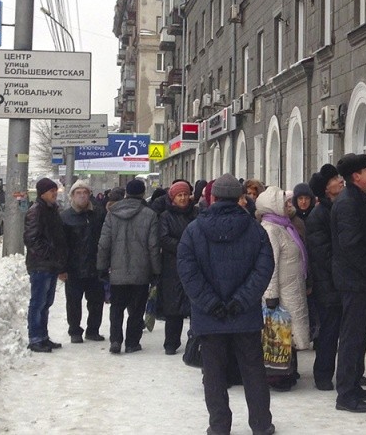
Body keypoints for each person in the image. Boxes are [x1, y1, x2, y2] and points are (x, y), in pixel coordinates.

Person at [179, 174, 276, 435]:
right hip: (244, 316)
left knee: (214, 375)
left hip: (209, 319)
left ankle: (219, 426)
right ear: (240, 198)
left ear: (213, 198)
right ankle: (261, 424)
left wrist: (211, 304)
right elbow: (264, 267)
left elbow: (188, 272)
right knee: (253, 371)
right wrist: (240, 301)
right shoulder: (256, 230)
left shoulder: (194, 230)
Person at [330, 153, 366, 413]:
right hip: (354, 281)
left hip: (359, 280)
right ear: (356, 176)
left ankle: (354, 383)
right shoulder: (349, 202)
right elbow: (351, 245)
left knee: (360, 335)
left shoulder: (356, 198)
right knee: (352, 336)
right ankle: (346, 394)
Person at [97, 178, 162, 354]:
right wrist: (156, 270)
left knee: (116, 307)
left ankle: (116, 340)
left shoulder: (112, 213)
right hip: (141, 272)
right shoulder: (149, 215)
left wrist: (102, 267)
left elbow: (104, 243)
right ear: (142, 193)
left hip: (117, 272)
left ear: (126, 193)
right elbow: (153, 246)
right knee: (137, 308)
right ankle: (132, 342)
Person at [256, 186, 311, 391]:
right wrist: (271, 296)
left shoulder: (284, 226)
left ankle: (289, 370)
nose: (291, 205)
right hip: (281, 292)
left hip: (292, 288)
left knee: (290, 333)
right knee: (280, 334)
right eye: (286, 203)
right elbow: (270, 265)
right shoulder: (271, 229)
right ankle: (277, 376)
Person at [305, 164, 346, 391]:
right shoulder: (319, 215)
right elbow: (322, 254)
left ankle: (348, 372)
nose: (340, 181)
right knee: (329, 332)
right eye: (335, 179)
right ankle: (322, 374)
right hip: (327, 284)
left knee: (342, 331)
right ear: (326, 189)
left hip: (338, 282)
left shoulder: (336, 208)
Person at [25, 177, 69, 353]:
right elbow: (31, 239)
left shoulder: (51, 210)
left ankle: (43, 337)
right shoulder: (36, 211)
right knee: (38, 302)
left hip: (50, 265)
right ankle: (35, 338)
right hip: (40, 265)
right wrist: (50, 255)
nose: (55, 194)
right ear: (43, 193)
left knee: (46, 303)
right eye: (52, 191)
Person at [60, 179, 106, 343]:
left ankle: (93, 330)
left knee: (96, 301)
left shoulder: (99, 214)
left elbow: (105, 239)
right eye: (78, 193)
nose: (82, 196)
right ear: (72, 196)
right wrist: (61, 268)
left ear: (90, 195)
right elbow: (61, 245)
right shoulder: (65, 217)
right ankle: (75, 331)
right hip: (74, 268)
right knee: (73, 303)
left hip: (95, 266)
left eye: (85, 193)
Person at [158, 180, 197, 355]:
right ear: (173, 198)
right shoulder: (165, 216)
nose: (182, 198)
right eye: (179, 195)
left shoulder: (196, 214)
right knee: (173, 308)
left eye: (185, 194)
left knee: (195, 305)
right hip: (172, 267)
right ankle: (171, 343)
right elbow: (164, 239)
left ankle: (195, 342)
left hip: (195, 265)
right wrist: (186, 246)